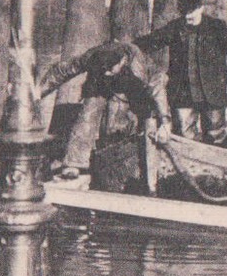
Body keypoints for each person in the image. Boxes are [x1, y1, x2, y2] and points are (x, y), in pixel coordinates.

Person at [39, 39, 167, 179]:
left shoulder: (138, 66)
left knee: (144, 119)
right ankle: (75, 162)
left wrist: (165, 121)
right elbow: (63, 70)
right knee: (88, 113)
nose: (106, 73)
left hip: (134, 86)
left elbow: (158, 89)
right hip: (100, 84)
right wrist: (39, 91)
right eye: (104, 70)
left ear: (122, 61)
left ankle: (144, 165)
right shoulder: (93, 57)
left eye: (110, 70)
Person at [131, 0, 227, 146]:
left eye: (191, 12)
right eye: (184, 12)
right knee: (184, 137)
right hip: (183, 92)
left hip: (213, 92)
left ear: (201, 9)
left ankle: (217, 167)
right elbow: (152, 41)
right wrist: (128, 47)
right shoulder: (175, 27)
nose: (187, 16)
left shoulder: (217, 27)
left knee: (215, 135)